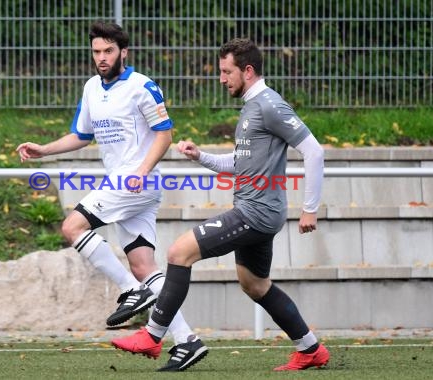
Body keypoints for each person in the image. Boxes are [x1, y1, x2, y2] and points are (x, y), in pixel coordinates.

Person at [111, 38, 329, 371]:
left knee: (178, 253)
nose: (222, 79)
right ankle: (310, 348)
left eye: (227, 72)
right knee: (254, 285)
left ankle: (153, 336)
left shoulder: (270, 105)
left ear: (248, 71)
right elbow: (239, 164)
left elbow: (315, 152)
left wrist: (310, 208)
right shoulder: (253, 108)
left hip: (256, 213)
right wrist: (201, 157)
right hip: (259, 212)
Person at [16, 21, 208, 371]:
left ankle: (130, 292)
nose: (101, 58)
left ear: (124, 52)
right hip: (124, 187)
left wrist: (141, 172)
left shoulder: (142, 87)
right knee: (144, 267)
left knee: (72, 227)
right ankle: (187, 340)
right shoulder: (92, 88)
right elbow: (81, 135)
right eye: (96, 52)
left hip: (136, 183)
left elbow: (165, 135)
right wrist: (43, 150)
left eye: (108, 51)